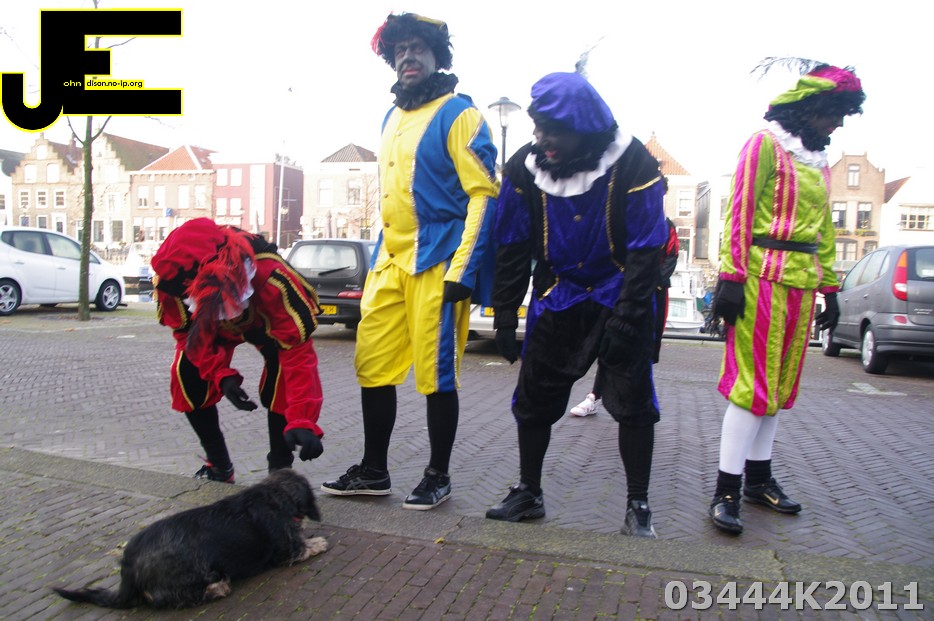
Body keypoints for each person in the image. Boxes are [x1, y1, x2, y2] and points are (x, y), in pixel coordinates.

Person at [320, 12, 499, 510]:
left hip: (438, 260)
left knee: (436, 373)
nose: (408, 57)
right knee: (372, 363)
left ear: (437, 56)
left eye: (418, 48)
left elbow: (484, 195)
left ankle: (438, 475)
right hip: (389, 260)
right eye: (400, 51)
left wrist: (464, 269)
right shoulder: (390, 117)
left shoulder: (460, 114)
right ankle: (374, 470)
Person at [485, 72, 668, 538]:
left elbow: (647, 248)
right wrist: (504, 312)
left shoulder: (632, 163)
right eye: (538, 127)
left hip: (619, 293)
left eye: (553, 130)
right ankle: (529, 491)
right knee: (534, 399)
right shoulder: (524, 168)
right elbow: (511, 243)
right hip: (558, 295)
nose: (542, 139)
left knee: (633, 401)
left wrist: (629, 316)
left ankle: (638, 504)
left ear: (584, 127)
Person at [707, 62, 865, 534]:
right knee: (752, 384)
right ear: (811, 107)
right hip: (761, 278)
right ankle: (726, 490)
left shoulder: (817, 161)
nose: (837, 124)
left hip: (801, 283)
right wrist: (732, 277)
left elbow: (822, 231)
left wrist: (830, 289)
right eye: (834, 114)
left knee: (777, 387)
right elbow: (739, 212)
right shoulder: (764, 144)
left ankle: (758, 480)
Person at [150, 218, 325, 483]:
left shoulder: (270, 277)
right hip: (215, 330)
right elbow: (188, 338)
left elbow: (297, 353)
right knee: (186, 373)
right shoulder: (172, 281)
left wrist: (303, 419)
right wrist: (220, 374)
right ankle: (220, 467)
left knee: (279, 382)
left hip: (265, 326)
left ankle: (279, 474)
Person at [569, 216, 678, 417]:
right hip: (621, 289)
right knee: (609, 340)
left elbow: (671, 256)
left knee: (645, 347)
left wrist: (652, 282)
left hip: (653, 293)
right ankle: (595, 396)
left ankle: (638, 400)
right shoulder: (623, 218)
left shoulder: (666, 226)